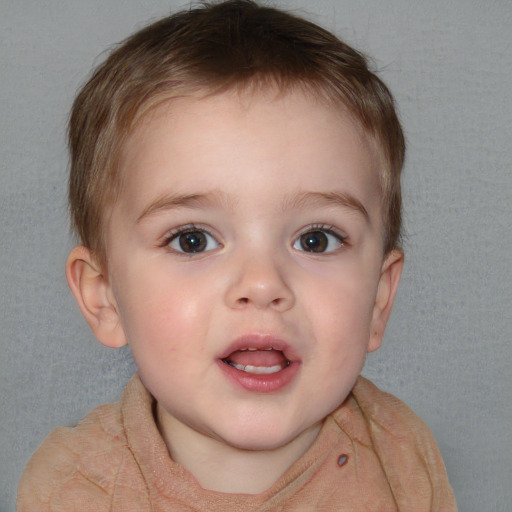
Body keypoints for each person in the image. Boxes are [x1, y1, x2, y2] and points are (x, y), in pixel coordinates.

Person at [17, 1, 457, 510]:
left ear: (379, 300)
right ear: (105, 297)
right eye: (192, 240)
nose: (262, 282)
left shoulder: (401, 459)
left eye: (316, 240)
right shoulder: (73, 489)